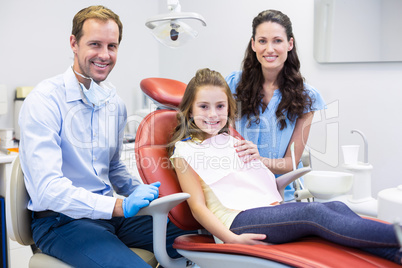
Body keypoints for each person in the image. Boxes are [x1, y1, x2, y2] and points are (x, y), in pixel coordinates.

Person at [168, 68, 402, 265]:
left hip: (264, 208)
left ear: (229, 108)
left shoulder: (230, 140)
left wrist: (263, 170)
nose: (213, 114)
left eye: (220, 106)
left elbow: (251, 183)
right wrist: (230, 238)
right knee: (314, 213)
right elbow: (198, 207)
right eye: (204, 107)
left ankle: (396, 254)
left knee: (337, 206)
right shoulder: (185, 152)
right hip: (236, 222)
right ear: (190, 110)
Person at [19, 5, 193, 268]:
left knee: (200, 236)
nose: (104, 54)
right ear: (74, 44)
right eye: (95, 44)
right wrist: (119, 207)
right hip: (61, 221)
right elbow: (47, 190)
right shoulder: (45, 101)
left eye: (112, 46)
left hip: (109, 215)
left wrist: (148, 194)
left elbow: (113, 168)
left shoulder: (113, 102)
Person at [225, 10, 326, 201]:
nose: (269, 49)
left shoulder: (306, 97)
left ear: (290, 44)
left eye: (277, 41)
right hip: (234, 190)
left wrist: (258, 160)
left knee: (332, 211)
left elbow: (291, 163)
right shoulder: (233, 84)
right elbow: (220, 134)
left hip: (279, 193)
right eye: (262, 41)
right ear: (253, 44)